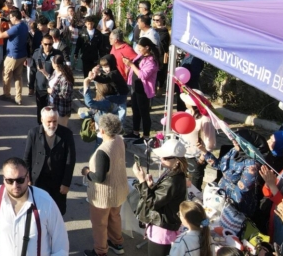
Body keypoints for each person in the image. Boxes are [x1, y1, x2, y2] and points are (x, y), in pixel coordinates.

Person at [0, 157, 69, 256]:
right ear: (4, 179)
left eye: (20, 180)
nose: (15, 186)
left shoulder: (45, 201)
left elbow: (60, 242)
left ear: (28, 178)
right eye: (9, 181)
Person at [81, 114, 129, 256]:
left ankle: (100, 251)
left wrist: (86, 172)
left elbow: (99, 178)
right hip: (118, 190)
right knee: (115, 217)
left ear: (102, 131)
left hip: (103, 196)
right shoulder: (119, 140)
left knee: (100, 224)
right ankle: (117, 243)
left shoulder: (103, 151)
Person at [134, 138, 188, 256]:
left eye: (164, 157)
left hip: (162, 229)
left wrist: (142, 181)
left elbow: (152, 203)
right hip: (162, 225)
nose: (160, 159)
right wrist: (151, 186)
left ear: (177, 161)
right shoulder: (172, 172)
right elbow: (163, 197)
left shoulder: (173, 179)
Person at [24, 107, 75, 215]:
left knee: (57, 211)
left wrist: (66, 183)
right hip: (38, 179)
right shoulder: (33, 133)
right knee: (39, 210)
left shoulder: (66, 134)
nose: (52, 125)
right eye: (49, 122)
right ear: (42, 120)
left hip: (58, 181)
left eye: (55, 121)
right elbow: (27, 158)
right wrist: (28, 178)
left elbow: (70, 160)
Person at [203, 129, 260, 214]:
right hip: (221, 193)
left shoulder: (252, 164)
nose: (234, 141)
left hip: (235, 202)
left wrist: (224, 204)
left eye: (238, 140)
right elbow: (220, 165)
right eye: (234, 139)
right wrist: (203, 150)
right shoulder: (234, 151)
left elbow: (242, 189)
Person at [125, 37, 160, 141]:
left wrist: (131, 65)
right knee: (135, 110)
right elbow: (134, 67)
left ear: (147, 47)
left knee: (144, 113)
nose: (138, 49)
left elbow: (143, 75)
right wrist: (128, 64)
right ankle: (135, 132)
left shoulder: (152, 61)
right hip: (135, 86)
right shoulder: (140, 55)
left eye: (140, 48)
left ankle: (146, 136)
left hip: (144, 90)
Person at [0, 10, 29, 105]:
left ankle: (6, 94)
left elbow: (0, 35)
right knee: (18, 76)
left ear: (15, 17)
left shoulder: (16, 28)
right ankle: (18, 98)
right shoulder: (24, 26)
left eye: (11, 17)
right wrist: (9, 23)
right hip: (22, 55)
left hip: (12, 56)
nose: (9, 19)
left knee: (6, 75)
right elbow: (13, 32)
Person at [31, 34, 64, 119]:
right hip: (40, 87)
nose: (48, 46)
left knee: (52, 111)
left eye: (50, 44)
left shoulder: (58, 54)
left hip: (53, 88)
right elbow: (32, 70)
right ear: (41, 43)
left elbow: (62, 71)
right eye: (45, 44)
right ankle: (41, 127)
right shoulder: (36, 53)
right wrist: (31, 86)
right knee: (41, 110)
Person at [48, 55, 75, 127]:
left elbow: (64, 96)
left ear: (55, 64)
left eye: (52, 62)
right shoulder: (55, 72)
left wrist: (52, 92)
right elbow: (52, 82)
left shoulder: (65, 79)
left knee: (61, 131)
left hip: (61, 110)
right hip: (53, 105)